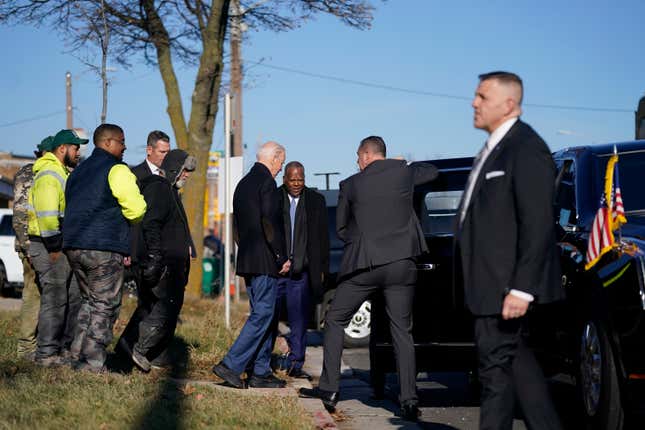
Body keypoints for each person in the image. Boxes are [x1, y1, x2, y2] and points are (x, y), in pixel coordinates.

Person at [299, 136, 438, 421]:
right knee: (402, 330)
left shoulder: (350, 185)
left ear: (365, 155)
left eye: (357, 157)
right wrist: (404, 163)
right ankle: (409, 400)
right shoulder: (403, 173)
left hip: (365, 265)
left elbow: (341, 229)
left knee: (336, 319)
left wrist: (365, 244)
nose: (357, 162)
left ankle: (329, 389)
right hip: (401, 263)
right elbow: (433, 171)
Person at [456, 71, 564, 430]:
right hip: (488, 286)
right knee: (515, 371)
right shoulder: (494, 149)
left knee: (495, 379)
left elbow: (539, 223)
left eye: (482, 97)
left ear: (509, 103)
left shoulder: (525, 148)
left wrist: (522, 287)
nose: (474, 103)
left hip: (506, 287)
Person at [63, 123, 147, 373]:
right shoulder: (117, 170)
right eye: (121, 141)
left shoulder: (78, 171)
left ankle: (76, 355)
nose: (124, 147)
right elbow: (136, 208)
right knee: (105, 304)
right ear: (108, 143)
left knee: (89, 301)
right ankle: (92, 362)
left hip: (74, 245)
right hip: (103, 246)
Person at [212, 141, 290, 389]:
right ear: (274, 158)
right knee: (263, 314)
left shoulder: (244, 183)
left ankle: (260, 371)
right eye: (282, 162)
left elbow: (236, 226)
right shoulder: (267, 182)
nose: (281, 168)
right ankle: (231, 365)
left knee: (266, 315)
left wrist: (244, 250)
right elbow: (269, 223)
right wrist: (281, 256)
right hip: (265, 260)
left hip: (248, 258)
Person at [119, 149, 196, 372]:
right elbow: (151, 224)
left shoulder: (170, 191)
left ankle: (136, 348)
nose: (187, 176)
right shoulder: (160, 189)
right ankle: (139, 349)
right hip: (165, 263)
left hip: (171, 262)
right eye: (185, 171)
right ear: (174, 169)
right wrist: (154, 256)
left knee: (153, 308)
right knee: (164, 311)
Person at [27, 129, 86, 367]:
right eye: (75, 148)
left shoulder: (60, 172)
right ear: (63, 148)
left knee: (71, 296)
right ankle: (46, 354)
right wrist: (53, 246)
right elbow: (48, 214)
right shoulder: (50, 173)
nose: (78, 153)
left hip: (57, 243)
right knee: (55, 299)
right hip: (49, 243)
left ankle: (63, 349)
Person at [272, 161, 329, 379]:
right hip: (276, 272)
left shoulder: (316, 201)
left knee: (299, 320)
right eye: (292, 179)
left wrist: (322, 269)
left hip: (302, 272)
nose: (297, 184)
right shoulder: (274, 198)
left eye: (300, 179)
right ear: (284, 179)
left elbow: (323, 239)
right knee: (270, 318)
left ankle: (296, 363)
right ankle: (265, 361)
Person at [13, 138, 47, 360]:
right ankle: (26, 347)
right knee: (33, 295)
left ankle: (42, 344)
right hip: (33, 246)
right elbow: (20, 215)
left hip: (44, 246)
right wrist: (28, 249)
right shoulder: (30, 173)